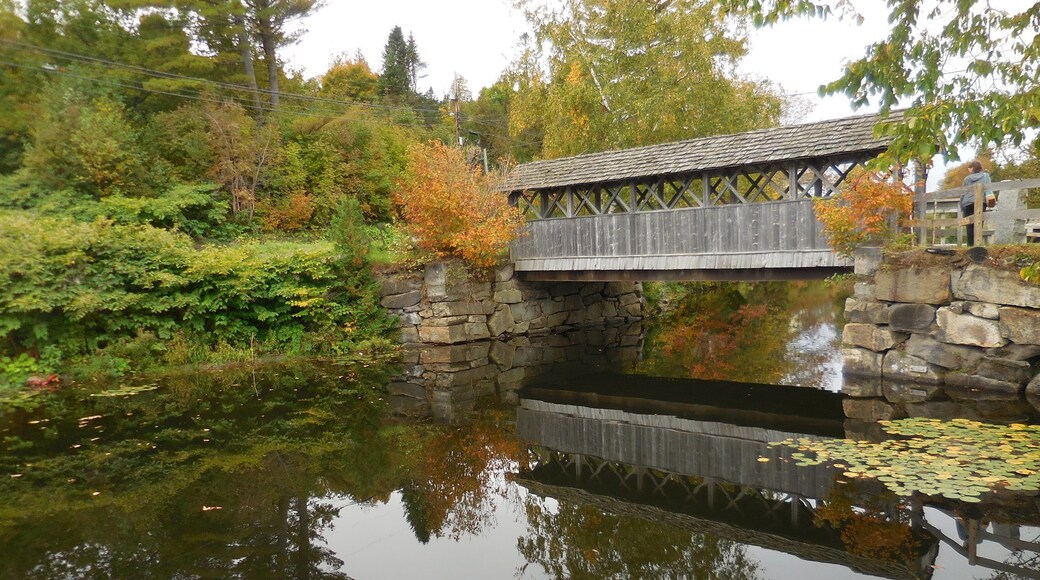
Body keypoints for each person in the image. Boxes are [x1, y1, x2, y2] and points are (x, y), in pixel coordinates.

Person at [959, 160, 995, 245]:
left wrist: (961, 206)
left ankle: (970, 246)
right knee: (979, 224)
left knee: (969, 225)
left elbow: (963, 193)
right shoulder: (985, 176)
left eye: (969, 168)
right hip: (980, 202)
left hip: (967, 203)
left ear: (972, 168)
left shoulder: (967, 179)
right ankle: (977, 245)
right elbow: (988, 188)